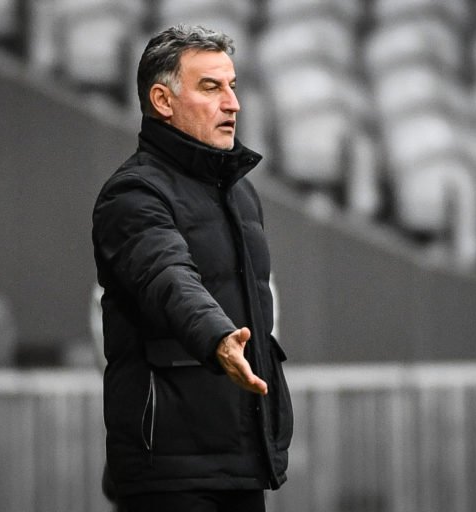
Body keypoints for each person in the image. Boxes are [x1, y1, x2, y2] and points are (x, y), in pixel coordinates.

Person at [92, 25, 293, 512]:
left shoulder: (241, 194)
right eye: (211, 87)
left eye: (233, 86)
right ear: (163, 100)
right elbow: (168, 278)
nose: (233, 104)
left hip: (244, 459)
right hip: (170, 468)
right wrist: (218, 338)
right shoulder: (133, 193)